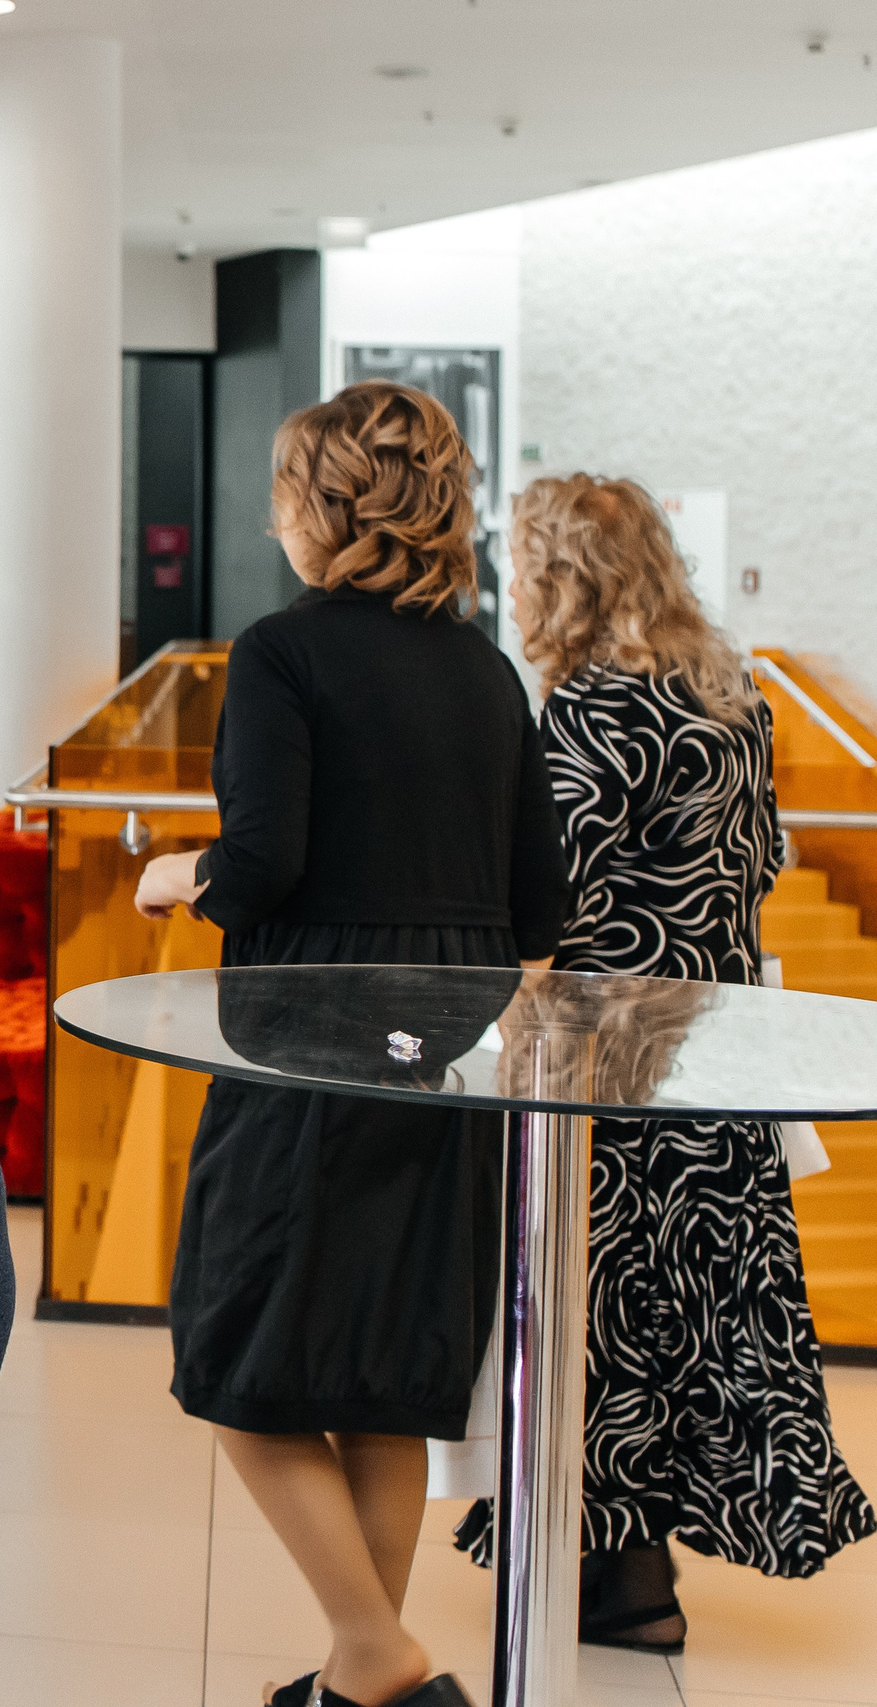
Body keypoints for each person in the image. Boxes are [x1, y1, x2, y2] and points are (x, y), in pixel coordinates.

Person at [133, 381, 567, 1707]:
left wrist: (170, 871)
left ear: (316, 502)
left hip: (306, 1037)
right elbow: (540, 905)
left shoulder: (284, 652)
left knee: (239, 1361)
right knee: (381, 1372)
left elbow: (262, 866)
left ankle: (381, 1654)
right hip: (444, 1050)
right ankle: (353, 1679)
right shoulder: (486, 667)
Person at [457, 472, 874, 1645]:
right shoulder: (730, 695)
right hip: (715, 1042)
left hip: (610, 1052)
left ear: (561, 576)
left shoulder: (594, 704)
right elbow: (766, 862)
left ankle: (610, 1574)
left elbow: (553, 885)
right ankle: (630, 1578)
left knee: (594, 1301)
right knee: (694, 1304)